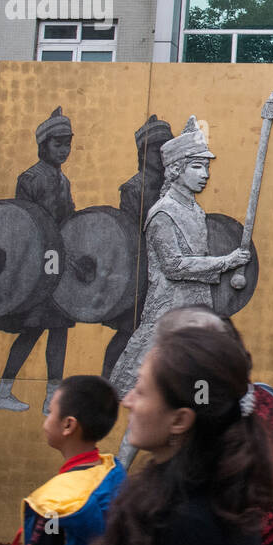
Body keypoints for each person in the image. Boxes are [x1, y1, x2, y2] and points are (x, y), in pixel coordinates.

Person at [108, 116, 249, 468]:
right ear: (176, 169)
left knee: (194, 401)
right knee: (152, 405)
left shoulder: (194, 211)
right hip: (169, 317)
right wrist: (226, 262)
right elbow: (175, 267)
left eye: (206, 167)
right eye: (198, 167)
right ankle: (117, 479)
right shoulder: (163, 215)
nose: (205, 175)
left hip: (197, 312)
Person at [96, 307, 273, 545]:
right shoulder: (225, 498)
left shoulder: (182, 525)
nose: (127, 401)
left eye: (141, 391)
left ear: (180, 420)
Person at [0, 107, 76, 415]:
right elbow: (24, 223)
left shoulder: (63, 180)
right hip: (36, 269)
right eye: (58, 144)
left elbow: (68, 220)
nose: (64, 150)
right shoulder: (30, 178)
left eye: (67, 143)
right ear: (44, 146)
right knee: (31, 330)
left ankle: (52, 398)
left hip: (58, 268)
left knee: (59, 330)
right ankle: (3, 390)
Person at [12, 375, 123, 545]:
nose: (46, 420)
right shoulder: (114, 473)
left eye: (50, 412)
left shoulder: (54, 503)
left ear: (68, 425)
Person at [101, 115, 172, 379]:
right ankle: (107, 379)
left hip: (163, 270)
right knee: (132, 329)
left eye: (166, 148)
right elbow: (132, 231)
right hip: (142, 272)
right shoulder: (134, 188)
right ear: (143, 152)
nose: (161, 155)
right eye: (156, 149)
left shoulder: (171, 186)